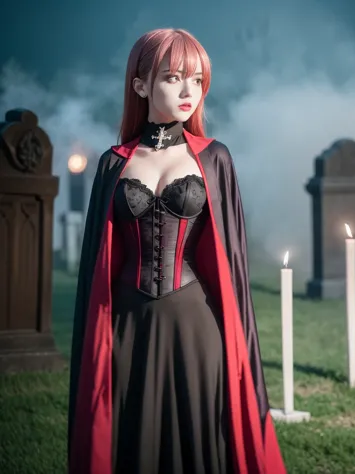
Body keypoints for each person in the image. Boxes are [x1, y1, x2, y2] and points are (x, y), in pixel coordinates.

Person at [67, 28, 287, 474]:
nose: (189, 91)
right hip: (129, 327)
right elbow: (96, 265)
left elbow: (233, 264)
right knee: (134, 442)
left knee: (200, 447)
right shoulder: (113, 162)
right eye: (173, 78)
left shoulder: (215, 158)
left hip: (197, 326)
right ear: (141, 84)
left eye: (198, 79)